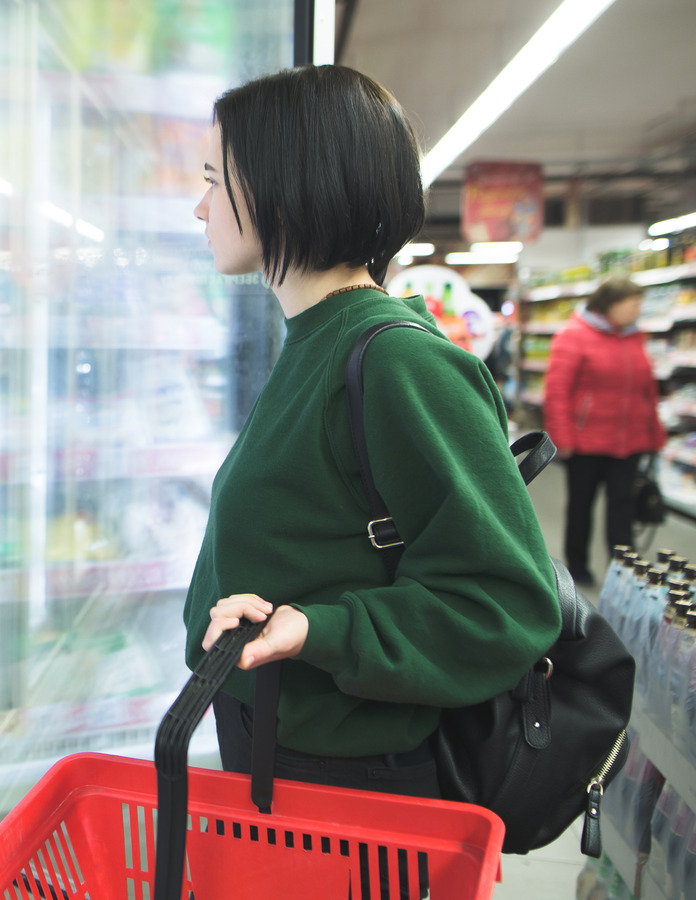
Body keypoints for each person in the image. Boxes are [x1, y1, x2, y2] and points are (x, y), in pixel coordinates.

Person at [186, 65, 561, 799]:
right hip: (280, 745)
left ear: (283, 191)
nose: (199, 208)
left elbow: (505, 604)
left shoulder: (396, 361)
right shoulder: (315, 340)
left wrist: (320, 631)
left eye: (212, 180)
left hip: (350, 777)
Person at [543, 277, 666, 586]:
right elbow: (557, 391)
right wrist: (563, 438)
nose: (638, 310)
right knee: (581, 506)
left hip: (629, 441)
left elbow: (647, 392)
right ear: (611, 304)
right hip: (586, 442)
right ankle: (578, 567)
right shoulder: (574, 336)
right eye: (633, 304)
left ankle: (624, 569)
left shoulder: (635, 337)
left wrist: (654, 435)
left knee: (623, 506)